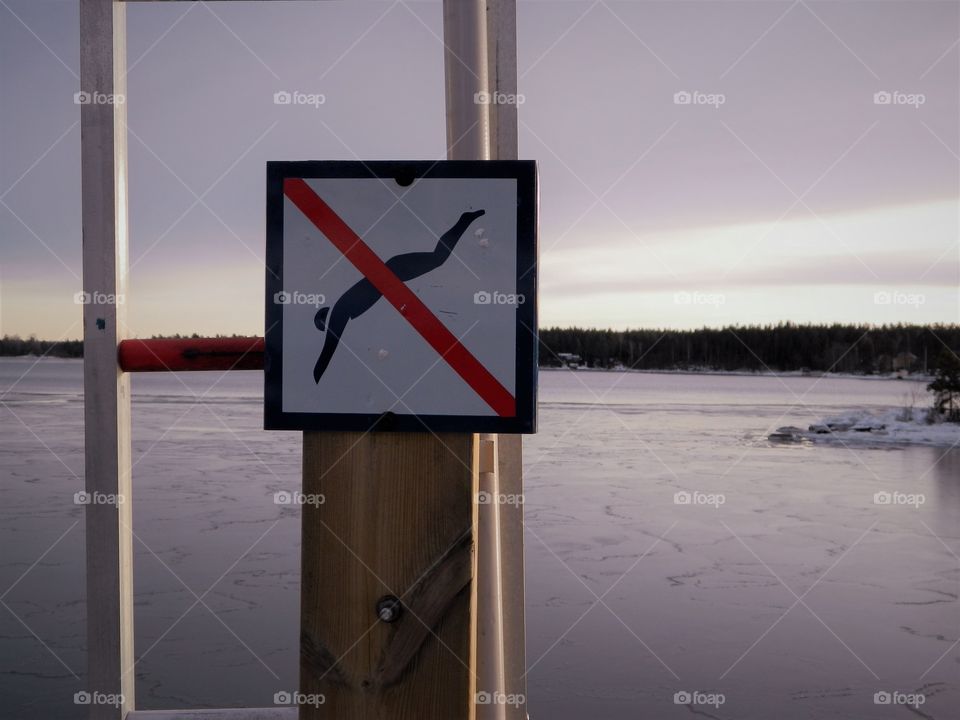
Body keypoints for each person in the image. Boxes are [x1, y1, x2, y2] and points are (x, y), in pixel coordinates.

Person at [312, 208, 486, 382]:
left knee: (437, 258)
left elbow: (329, 347)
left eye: (326, 327)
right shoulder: (341, 308)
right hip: (394, 273)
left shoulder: (339, 311)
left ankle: (464, 220)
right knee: (437, 258)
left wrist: (319, 372)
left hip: (395, 270)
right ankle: (464, 221)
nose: (332, 330)